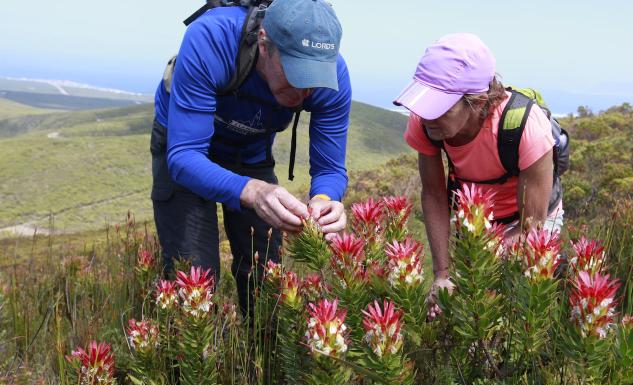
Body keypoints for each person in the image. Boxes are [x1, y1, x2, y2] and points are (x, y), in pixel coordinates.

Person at [150, 0, 351, 315]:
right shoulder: (212, 38)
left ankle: (262, 360)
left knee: (265, 278)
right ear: (264, 44)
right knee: (194, 280)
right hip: (185, 146)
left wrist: (326, 198)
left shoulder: (332, 78)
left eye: (313, 77)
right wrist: (253, 191)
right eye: (296, 74)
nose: (303, 91)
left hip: (249, 149)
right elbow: (184, 156)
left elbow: (330, 167)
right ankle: (192, 360)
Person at [393, 33, 564, 297]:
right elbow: (435, 195)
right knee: (468, 301)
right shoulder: (424, 121)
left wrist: (481, 264)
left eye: (440, 108)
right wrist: (442, 275)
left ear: (478, 101)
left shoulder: (526, 128)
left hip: (525, 218)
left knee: (514, 299)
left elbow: (531, 224)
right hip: (474, 219)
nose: (427, 117)